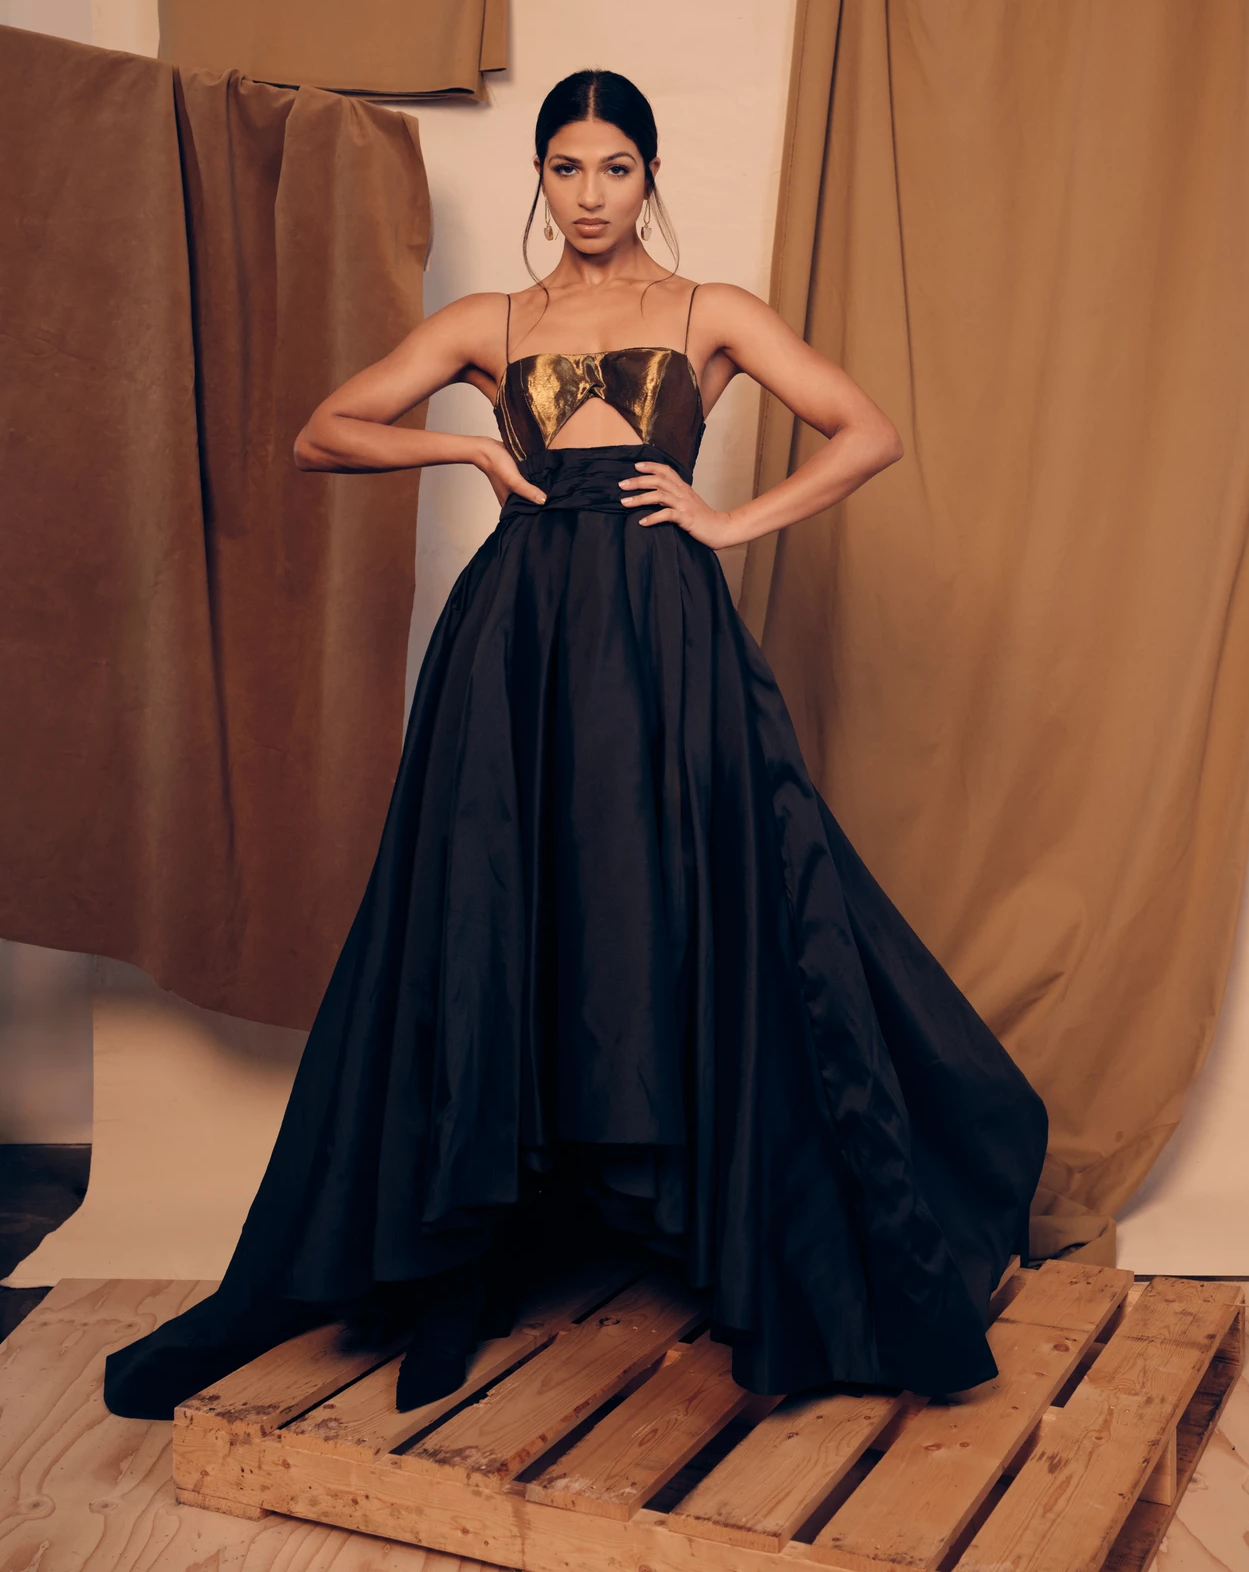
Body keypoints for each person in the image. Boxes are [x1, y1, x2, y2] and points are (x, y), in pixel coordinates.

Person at [104, 69, 1047, 1421]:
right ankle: (462, 1257)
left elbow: (867, 432)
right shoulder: (492, 324)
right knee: (497, 908)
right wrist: (472, 459)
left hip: (666, 642)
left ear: (649, 176)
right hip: (518, 645)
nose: (590, 194)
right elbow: (321, 433)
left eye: (615, 167)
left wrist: (730, 522)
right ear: (540, 179)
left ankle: (705, 1216)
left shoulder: (710, 311)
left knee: (695, 899)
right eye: (566, 167)